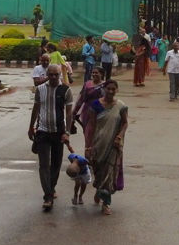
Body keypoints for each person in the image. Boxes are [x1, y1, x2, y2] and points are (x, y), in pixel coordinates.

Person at [29, 64, 73, 212]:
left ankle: (51, 188)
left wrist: (67, 132)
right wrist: (31, 127)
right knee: (43, 165)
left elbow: (69, 113)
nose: (53, 77)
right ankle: (48, 196)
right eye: (51, 74)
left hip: (58, 132)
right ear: (47, 74)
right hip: (42, 131)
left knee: (56, 163)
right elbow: (36, 108)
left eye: (56, 74)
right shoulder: (40, 89)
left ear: (60, 74)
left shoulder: (65, 90)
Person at [83, 79, 128, 216]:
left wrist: (119, 136)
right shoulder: (95, 105)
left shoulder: (121, 106)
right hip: (98, 144)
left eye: (113, 89)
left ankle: (106, 203)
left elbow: (125, 123)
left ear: (117, 90)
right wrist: (88, 146)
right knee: (99, 172)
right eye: (108, 88)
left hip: (113, 145)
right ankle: (99, 190)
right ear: (104, 90)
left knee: (109, 175)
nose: (110, 91)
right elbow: (90, 126)